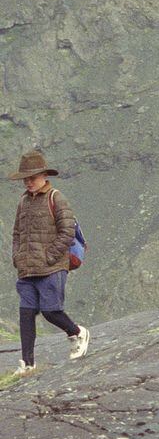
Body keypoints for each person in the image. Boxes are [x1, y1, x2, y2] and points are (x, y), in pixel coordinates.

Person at [8, 150, 89, 376]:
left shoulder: (56, 198)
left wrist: (50, 257)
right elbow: (16, 233)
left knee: (51, 311)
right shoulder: (23, 201)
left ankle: (77, 333)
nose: (28, 182)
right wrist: (17, 256)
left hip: (52, 267)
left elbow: (67, 232)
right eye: (25, 178)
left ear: (44, 175)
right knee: (26, 314)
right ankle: (27, 364)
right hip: (26, 269)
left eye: (32, 177)